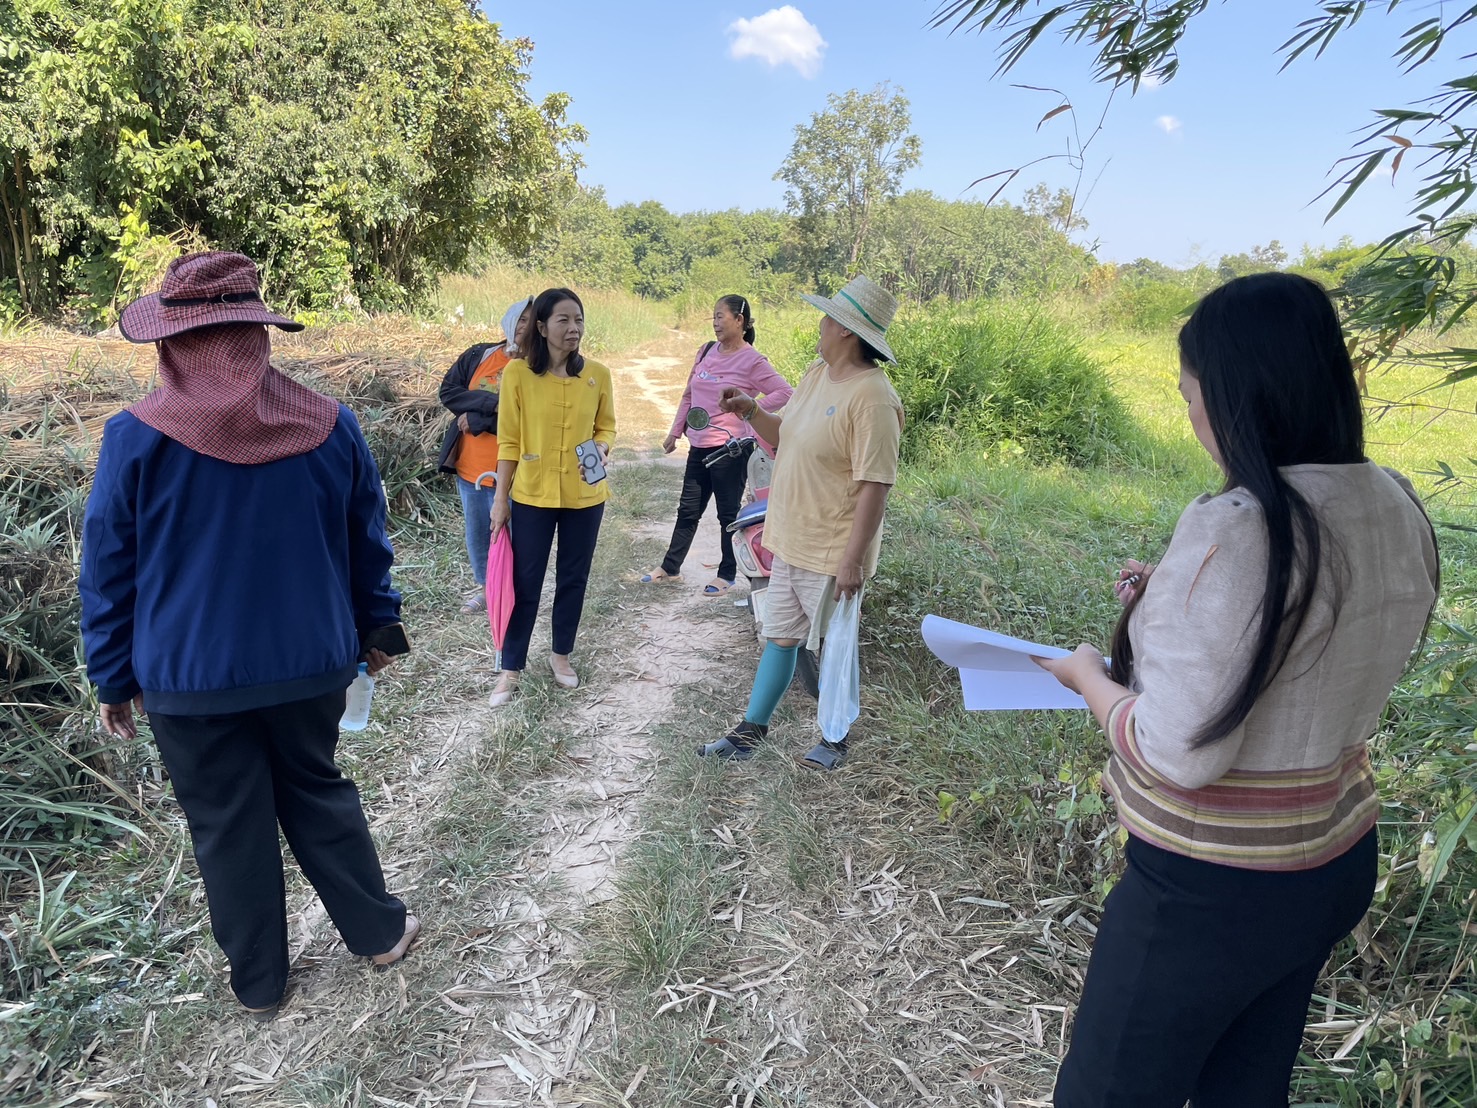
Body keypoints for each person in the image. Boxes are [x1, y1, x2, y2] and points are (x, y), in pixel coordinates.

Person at [1034, 272, 1440, 1107]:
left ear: (1233, 396)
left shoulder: (1243, 524)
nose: (1191, 417)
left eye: (1190, 396)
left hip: (1209, 886)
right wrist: (1169, 604)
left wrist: (1087, 679)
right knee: (1244, 1090)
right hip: (1332, 859)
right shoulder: (1393, 501)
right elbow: (1313, 639)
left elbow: (1179, 750)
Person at [79, 251, 420, 1021]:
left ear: (173, 344)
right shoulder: (330, 426)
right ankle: (379, 934)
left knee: (225, 827)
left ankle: (261, 985)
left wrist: (111, 676)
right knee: (317, 791)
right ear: (255, 336)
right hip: (310, 664)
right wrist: (378, 631)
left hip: (187, 678)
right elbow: (368, 546)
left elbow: (107, 570)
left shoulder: (135, 438)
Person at [702, 275, 905, 770]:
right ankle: (750, 731)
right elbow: (783, 434)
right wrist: (751, 410)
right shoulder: (818, 374)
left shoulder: (873, 398)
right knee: (781, 635)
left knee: (836, 645)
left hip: (833, 548)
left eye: (828, 318)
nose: (820, 324)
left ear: (846, 331)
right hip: (792, 535)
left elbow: (876, 485)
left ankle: (835, 739)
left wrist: (853, 559)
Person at [486, 287, 616, 707]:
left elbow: (606, 427)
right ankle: (510, 667)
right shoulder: (517, 375)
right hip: (532, 495)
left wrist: (602, 446)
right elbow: (508, 441)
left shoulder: (597, 375)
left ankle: (561, 655)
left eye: (578, 319)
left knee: (573, 578)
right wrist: (501, 500)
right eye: (563, 320)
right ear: (541, 327)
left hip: (585, 495)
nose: (573, 328)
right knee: (525, 582)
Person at [641, 294, 793, 596]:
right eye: (713, 317)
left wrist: (750, 410)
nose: (715, 323)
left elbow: (785, 392)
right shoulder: (707, 350)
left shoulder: (753, 361)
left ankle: (727, 575)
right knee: (688, 510)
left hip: (731, 450)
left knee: (727, 515)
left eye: (720, 316)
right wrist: (675, 431)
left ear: (740, 320)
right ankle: (670, 568)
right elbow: (689, 394)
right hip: (699, 446)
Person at [438, 297, 533, 614]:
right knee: (479, 535)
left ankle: (512, 595)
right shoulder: (479, 355)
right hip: (472, 469)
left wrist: (481, 420)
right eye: (520, 319)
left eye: (532, 321)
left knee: (516, 538)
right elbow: (449, 392)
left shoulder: (539, 368)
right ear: (509, 321)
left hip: (516, 472)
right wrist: (494, 405)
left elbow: (530, 417)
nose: (524, 327)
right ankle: (486, 590)